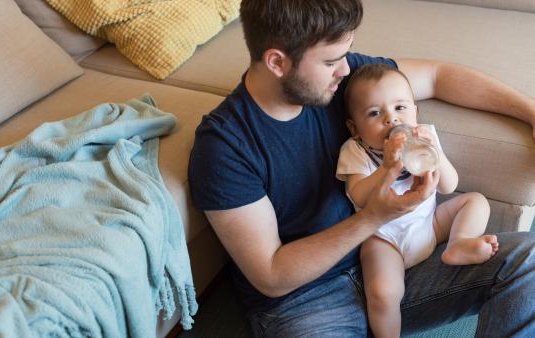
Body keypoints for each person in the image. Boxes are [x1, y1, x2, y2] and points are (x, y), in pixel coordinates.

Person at [188, 0, 535, 336]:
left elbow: (438, 75)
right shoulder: (224, 146)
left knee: (529, 260)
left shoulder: (344, 82)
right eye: (331, 61)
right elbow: (272, 275)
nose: (344, 69)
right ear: (277, 62)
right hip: (307, 301)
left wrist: (530, 112)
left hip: (402, 261)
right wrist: (373, 216)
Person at [337, 63, 499, 338]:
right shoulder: (356, 151)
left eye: (400, 108)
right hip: (384, 238)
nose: (392, 120)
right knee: (382, 293)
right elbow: (358, 195)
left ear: (415, 112)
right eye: (375, 113)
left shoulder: (425, 137)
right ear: (354, 127)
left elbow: (450, 185)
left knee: (476, 201)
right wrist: (387, 168)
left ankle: (458, 244)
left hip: (429, 223)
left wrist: (435, 153)